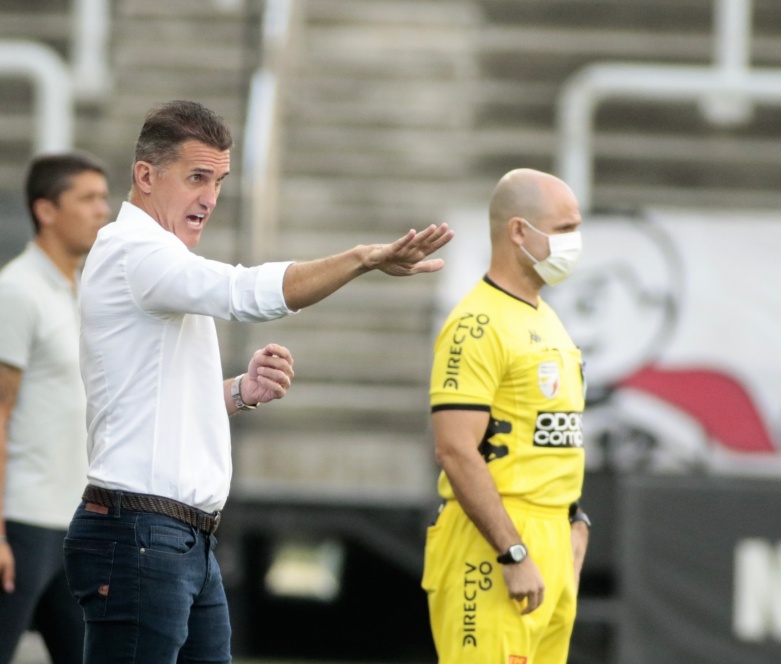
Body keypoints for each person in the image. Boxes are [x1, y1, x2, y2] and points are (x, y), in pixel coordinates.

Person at [63, 99, 454, 664]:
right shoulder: (135, 252)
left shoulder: (156, 258)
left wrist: (239, 392)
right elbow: (245, 293)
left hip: (177, 538)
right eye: (197, 177)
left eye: (218, 181)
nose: (210, 199)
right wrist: (362, 259)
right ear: (145, 177)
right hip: (140, 534)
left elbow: (155, 407)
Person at [0, 152, 111, 664]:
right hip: (16, 522)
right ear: (46, 210)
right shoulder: (17, 291)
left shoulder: (82, 292)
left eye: (104, 198)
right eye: (88, 199)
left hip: (72, 522)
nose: (103, 211)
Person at [422, 168, 591, 664]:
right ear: (519, 231)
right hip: (494, 545)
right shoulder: (476, 325)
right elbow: (455, 448)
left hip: (553, 540)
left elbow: (552, 433)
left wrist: (574, 521)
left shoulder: (545, 316)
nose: (574, 243)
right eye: (564, 230)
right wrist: (513, 552)